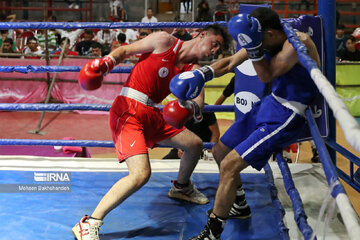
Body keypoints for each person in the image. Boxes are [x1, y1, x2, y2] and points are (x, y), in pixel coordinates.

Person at [169, 8, 321, 239]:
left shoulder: (296, 44)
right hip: (270, 103)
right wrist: (203, 74)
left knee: (231, 164)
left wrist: (253, 47)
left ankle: (213, 232)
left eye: (257, 40)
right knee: (220, 150)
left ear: (269, 33)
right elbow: (230, 63)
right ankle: (238, 204)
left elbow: (266, 75)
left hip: (290, 112)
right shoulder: (262, 38)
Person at [72, 24, 231, 240]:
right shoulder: (164, 41)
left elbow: (199, 103)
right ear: (202, 35)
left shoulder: (194, 72)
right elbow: (125, 51)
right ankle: (90, 222)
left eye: (218, 50)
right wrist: (106, 64)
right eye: (215, 44)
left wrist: (189, 108)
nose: (214, 51)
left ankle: (181, 188)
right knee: (141, 175)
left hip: (152, 114)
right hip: (128, 110)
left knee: (194, 144)